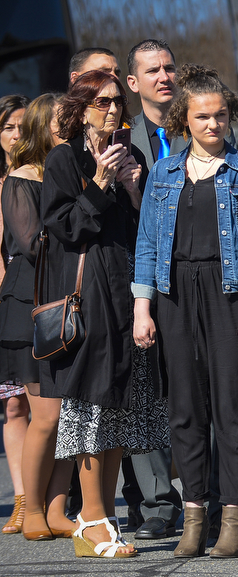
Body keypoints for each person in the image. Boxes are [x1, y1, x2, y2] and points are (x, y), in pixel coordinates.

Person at [132, 63, 238, 559]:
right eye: (202, 117)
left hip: (230, 295)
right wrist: (142, 307)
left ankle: (234, 515)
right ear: (184, 122)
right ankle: (195, 515)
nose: (213, 125)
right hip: (173, 295)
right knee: (185, 410)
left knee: (233, 411)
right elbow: (148, 242)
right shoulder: (165, 173)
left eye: (220, 116)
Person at [40, 69, 169, 558]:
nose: (112, 110)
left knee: (119, 409)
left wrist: (136, 190)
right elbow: (66, 229)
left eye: (117, 102)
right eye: (101, 103)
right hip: (89, 294)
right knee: (93, 406)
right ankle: (89, 518)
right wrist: (97, 182)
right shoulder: (64, 158)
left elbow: (146, 228)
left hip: (130, 292)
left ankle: (104, 517)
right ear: (80, 108)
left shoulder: (131, 153)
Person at [2, 93, 78, 542]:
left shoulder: (68, 171)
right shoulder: (22, 177)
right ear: (39, 125)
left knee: (68, 416)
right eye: (59, 121)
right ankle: (30, 508)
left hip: (67, 302)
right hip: (29, 308)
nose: (67, 127)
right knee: (45, 415)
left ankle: (55, 510)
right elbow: (36, 244)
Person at [119, 37, 183, 542]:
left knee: (191, 393)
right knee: (143, 393)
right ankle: (159, 501)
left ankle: (203, 491)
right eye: (152, 71)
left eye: (169, 68)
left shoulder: (206, 128)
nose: (164, 76)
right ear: (133, 83)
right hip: (139, 286)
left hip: (197, 283)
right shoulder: (122, 141)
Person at [0, 93, 29, 535]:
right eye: (7, 127)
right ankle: (22, 500)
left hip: (32, 301)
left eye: (23, 125)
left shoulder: (39, 173)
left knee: (42, 403)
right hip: (6, 302)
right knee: (14, 404)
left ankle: (43, 498)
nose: (17, 134)